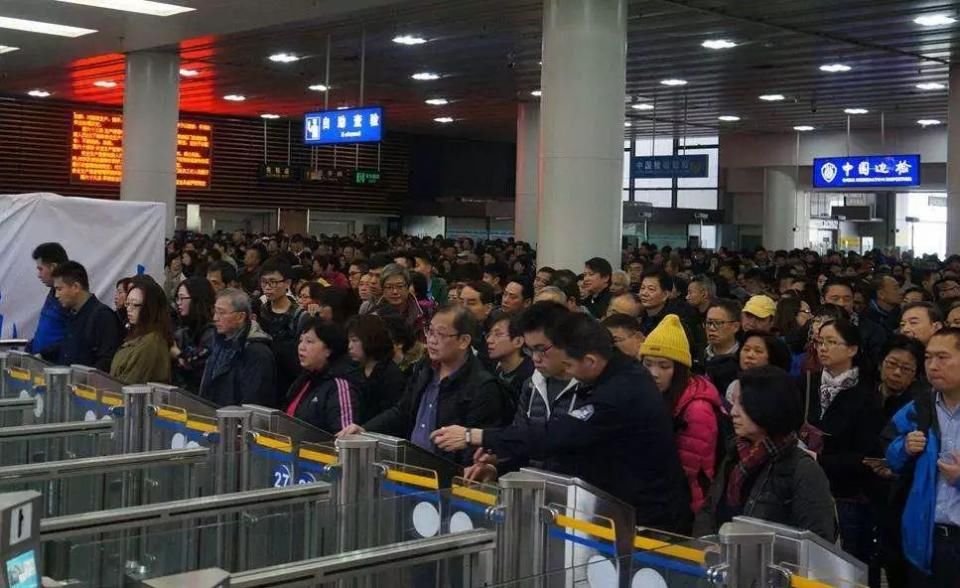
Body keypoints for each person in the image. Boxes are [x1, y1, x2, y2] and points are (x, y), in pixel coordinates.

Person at [432, 311, 693, 534]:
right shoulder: (611, 373)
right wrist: (502, 462)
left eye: (568, 365)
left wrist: (476, 436)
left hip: (645, 518)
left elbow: (558, 436)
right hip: (610, 508)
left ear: (589, 361)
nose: (565, 371)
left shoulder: (619, 392)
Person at [338, 304, 512, 465]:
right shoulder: (424, 367)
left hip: (445, 475)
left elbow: (475, 446)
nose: (432, 340)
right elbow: (402, 411)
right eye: (430, 331)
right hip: (412, 466)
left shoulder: (482, 386)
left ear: (464, 341)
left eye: (441, 334)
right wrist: (365, 430)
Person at [711, 366, 837, 541]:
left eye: (743, 404)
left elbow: (817, 544)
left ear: (769, 406)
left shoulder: (802, 470)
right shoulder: (734, 454)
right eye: (734, 403)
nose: (733, 412)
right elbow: (709, 511)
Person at [885, 328, 960, 587]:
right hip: (924, 537)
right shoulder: (919, 407)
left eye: (943, 357)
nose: (933, 366)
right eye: (928, 358)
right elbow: (891, 457)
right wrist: (903, 447)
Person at [807, 318, 884, 562]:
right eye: (820, 341)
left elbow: (866, 456)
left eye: (831, 342)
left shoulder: (867, 395)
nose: (823, 348)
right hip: (808, 489)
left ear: (852, 349)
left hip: (847, 497)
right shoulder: (807, 383)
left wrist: (819, 459)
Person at [640, 314, 722, 517]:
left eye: (664, 366)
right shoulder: (650, 396)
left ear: (680, 369)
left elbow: (689, 472)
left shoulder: (697, 409)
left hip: (684, 508)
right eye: (648, 363)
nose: (654, 372)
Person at [870, 336, 926, 588]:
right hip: (865, 490)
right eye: (892, 364)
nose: (896, 373)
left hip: (903, 496)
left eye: (906, 369)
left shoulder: (921, 405)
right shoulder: (861, 396)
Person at [199, 288, 276, 407]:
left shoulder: (258, 353)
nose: (215, 318)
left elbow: (254, 402)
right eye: (215, 312)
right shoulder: (217, 342)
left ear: (240, 317)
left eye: (221, 313)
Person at [282, 317, 361, 434]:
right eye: (300, 341)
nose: (301, 347)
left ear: (329, 349)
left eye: (309, 341)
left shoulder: (340, 385)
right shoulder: (305, 378)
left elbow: (345, 437)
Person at [50, 261, 123, 372]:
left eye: (59, 289)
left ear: (76, 287)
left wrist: (82, 380)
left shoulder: (102, 316)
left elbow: (106, 361)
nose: (56, 295)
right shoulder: (73, 313)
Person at [110, 276, 173, 385]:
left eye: (135, 305)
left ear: (149, 307)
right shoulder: (138, 335)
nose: (129, 309)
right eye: (127, 304)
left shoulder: (151, 342)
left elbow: (131, 383)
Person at [257, 258, 303, 403]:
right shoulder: (261, 310)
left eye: (273, 282)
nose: (268, 287)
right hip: (264, 378)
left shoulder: (299, 316)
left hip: (288, 381)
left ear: (287, 283)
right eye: (264, 282)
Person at [346, 314, 406, 422]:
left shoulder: (391, 375)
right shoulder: (354, 371)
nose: (350, 346)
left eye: (355, 341)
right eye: (349, 341)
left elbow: (394, 415)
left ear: (370, 339)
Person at [823, 277, 887, 365]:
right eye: (835, 299)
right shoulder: (811, 327)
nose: (841, 304)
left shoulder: (874, 331)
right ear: (822, 300)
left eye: (847, 299)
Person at [171, 277, 216, 393]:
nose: (178, 303)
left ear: (197, 299)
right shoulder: (183, 331)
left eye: (182, 298)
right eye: (177, 298)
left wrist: (177, 354)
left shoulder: (213, 332)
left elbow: (200, 364)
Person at [26, 242, 70, 359]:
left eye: (41, 269)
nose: (39, 275)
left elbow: (72, 339)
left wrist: (44, 354)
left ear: (53, 267)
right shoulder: (52, 293)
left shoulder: (68, 299)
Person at [485, 311, 534, 404]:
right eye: (489, 335)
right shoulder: (495, 370)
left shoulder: (531, 378)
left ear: (518, 341)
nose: (489, 340)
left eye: (498, 335)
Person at [372, 264, 427, 340]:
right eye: (389, 287)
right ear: (383, 290)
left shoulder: (423, 311)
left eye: (400, 286)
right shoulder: (374, 314)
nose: (395, 292)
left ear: (407, 288)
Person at [703, 299, 742, 395]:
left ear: (735, 327)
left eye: (718, 323)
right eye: (709, 323)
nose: (711, 328)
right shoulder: (697, 355)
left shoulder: (743, 360)